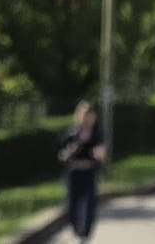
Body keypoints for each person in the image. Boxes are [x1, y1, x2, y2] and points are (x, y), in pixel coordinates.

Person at [58, 101, 107, 243]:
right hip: (74, 172)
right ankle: (76, 228)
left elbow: (102, 153)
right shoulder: (72, 132)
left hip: (89, 172)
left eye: (89, 115)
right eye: (84, 115)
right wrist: (70, 151)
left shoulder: (97, 133)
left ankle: (84, 233)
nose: (87, 118)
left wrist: (100, 155)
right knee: (72, 203)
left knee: (89, 203)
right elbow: (61, 155)